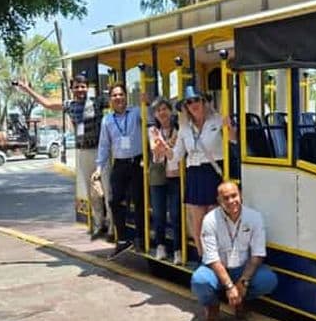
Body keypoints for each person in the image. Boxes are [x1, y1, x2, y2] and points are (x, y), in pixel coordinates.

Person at [15, 73, 110, 238]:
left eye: (83, 86)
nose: (80, 90)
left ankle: (113, 226)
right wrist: (27, 89)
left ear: (87, 88)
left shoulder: (97, 102)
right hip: (83, 152)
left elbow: (117, 100)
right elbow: (47, 103)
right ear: (72, 89)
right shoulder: (69, 105)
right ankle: (99, 224)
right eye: (77, 87)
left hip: (100, 151)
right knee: (91, 192)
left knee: (108, 190)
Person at [155, 85, 234, 261]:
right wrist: (165, 150)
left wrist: (230, 128)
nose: (193, 104)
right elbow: (176, 156)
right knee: (198, 224)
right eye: (189, 102)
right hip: (194, 175)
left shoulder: (218, 121)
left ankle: (219, 260)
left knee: (215, 222)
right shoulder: (184, 128)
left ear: (204, 102)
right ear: (186, 107)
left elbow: (233, 142)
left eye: (196, 100)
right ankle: (204, 260)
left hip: (213, 173)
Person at [190, 181, 278, 321]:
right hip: (217, 269)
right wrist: (230, 286)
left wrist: (243, 282)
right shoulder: (210, 220)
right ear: (219, 200)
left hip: (242, 268)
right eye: (226, 198)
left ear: (240, 195)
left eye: (234, 196)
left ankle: (240, 299)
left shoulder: (254, 217)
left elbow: (257, 255)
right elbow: (212, 259)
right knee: (199, 281)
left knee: (269, 280)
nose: (231, 201)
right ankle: (212, 306)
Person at [93, 83, 146, 257]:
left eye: (121, 94)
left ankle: (140, 238)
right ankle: (122, 239)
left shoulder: (136, 112)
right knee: (114, 201)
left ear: (126, 96)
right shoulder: (107, 120)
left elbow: (151, 119)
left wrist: (147, 103)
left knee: (139, 201)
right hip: (120, 164)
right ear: (110, 99)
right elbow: (104, 146)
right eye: (114, 95)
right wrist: (99, 168)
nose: (118, 98)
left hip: (137, 162)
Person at [148, 97, 182, 264]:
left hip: (176, 175)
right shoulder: (153, 130)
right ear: (155, 114)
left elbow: (176, 152)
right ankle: (160, 246)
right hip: (158, 175)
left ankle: (178, 249)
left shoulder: (179, 129)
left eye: (165, 109)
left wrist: (164, 146)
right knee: (159, 213)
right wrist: (168, 145)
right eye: (158, 110)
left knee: (175, 214)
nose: (162, 113)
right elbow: (156, 152)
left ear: (171, 111)